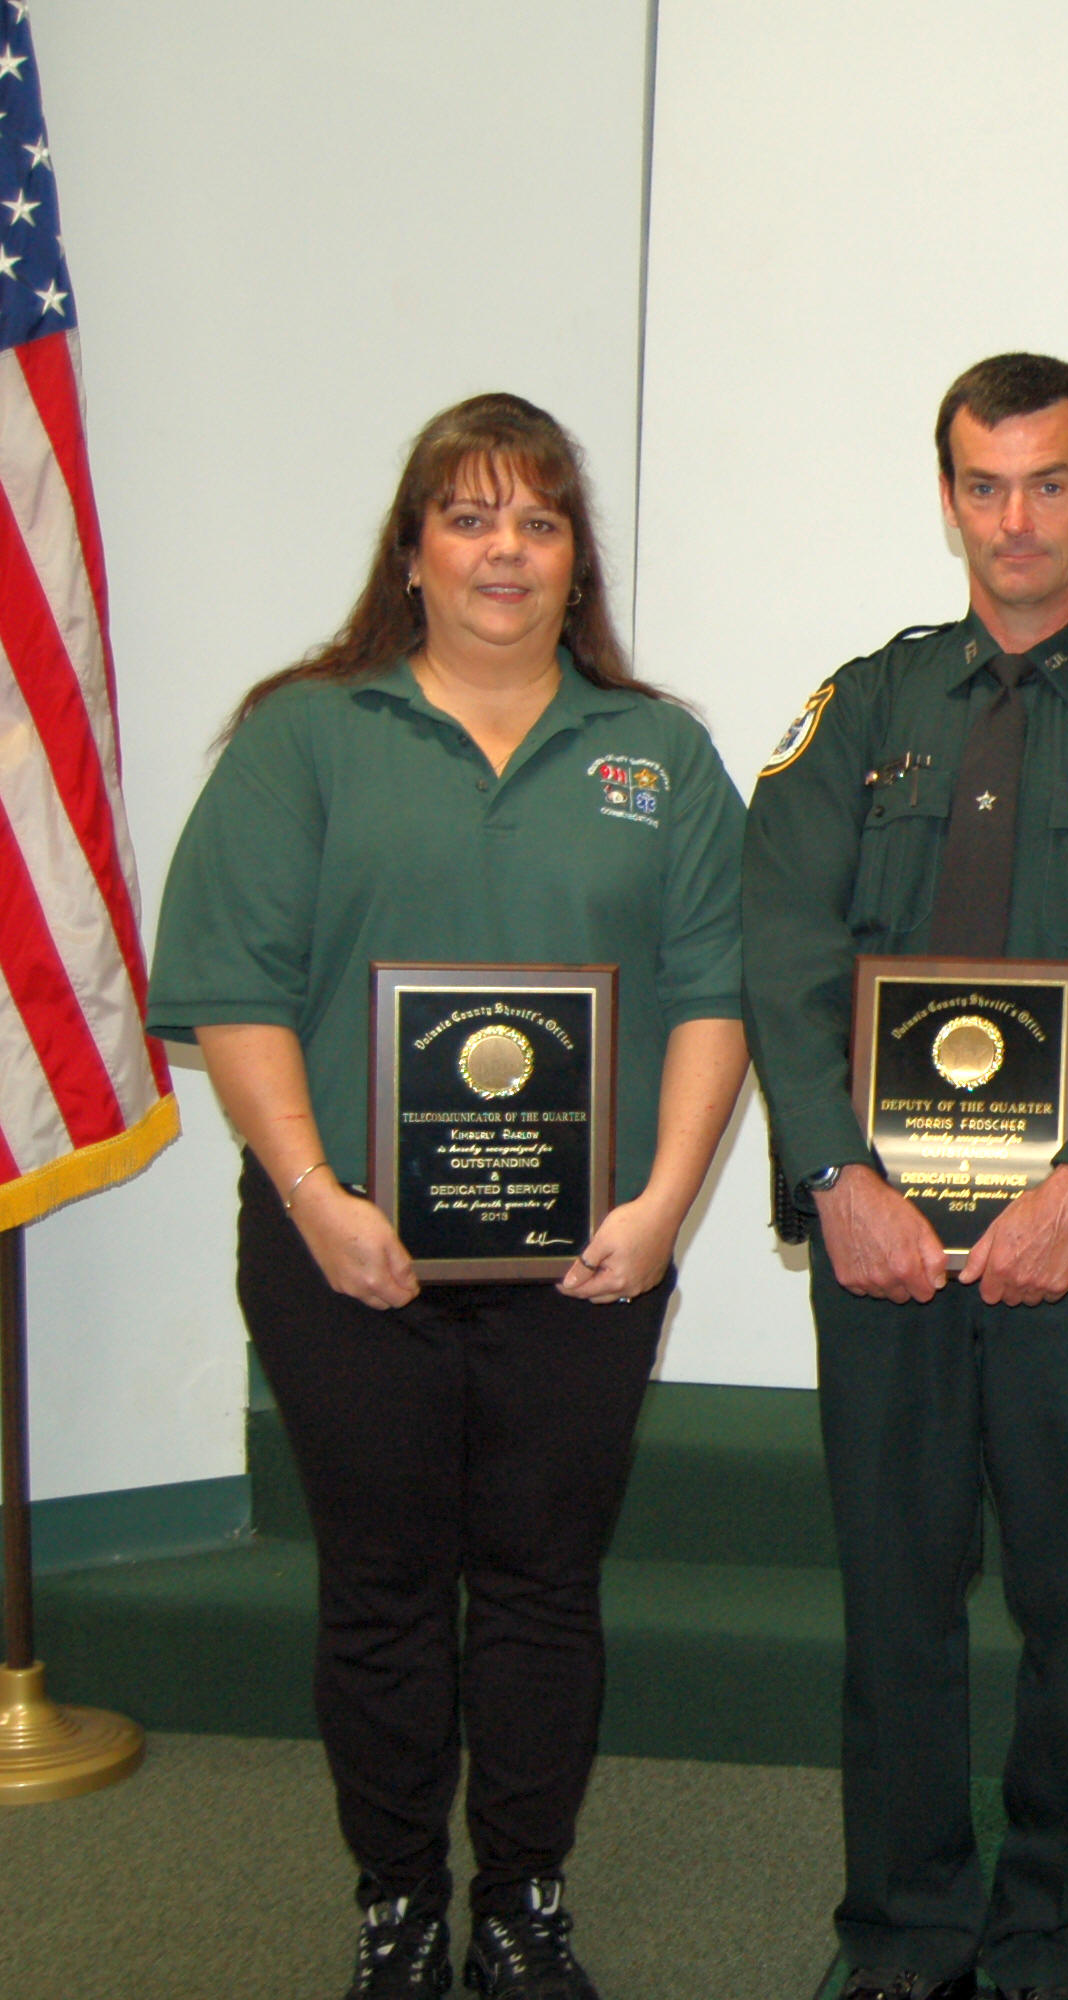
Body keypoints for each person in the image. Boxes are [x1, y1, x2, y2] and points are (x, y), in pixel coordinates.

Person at [145, 393, 748, 2000]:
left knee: (545, 1591)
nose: (505, 550)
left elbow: (714, 997)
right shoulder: (304, 737)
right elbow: (234, 990)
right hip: (343, 1251)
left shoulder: (659, 754)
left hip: (589, 1265)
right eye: (470, 517)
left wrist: (669, 1205)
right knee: (384, 1592)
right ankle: (400, 1905)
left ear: (576, 561)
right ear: (410, 552)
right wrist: (316, 1191)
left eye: (539, 521)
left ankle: (524, 1902)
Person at [739, 353, 1068, 2000]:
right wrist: (834, 1177)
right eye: (985, 483)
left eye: (1050, 484)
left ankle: (1052, 1924)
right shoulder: (863, 712)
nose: (1016, 519)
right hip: (875, 1235)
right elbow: (782, 956)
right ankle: (898, 1928)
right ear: (948, 496)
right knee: (895, 1596)